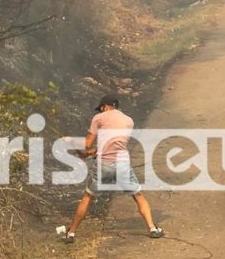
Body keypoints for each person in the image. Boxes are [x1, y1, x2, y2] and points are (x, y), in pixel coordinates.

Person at [60, 94, 164, 243]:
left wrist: (71, 141)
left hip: (104, 165)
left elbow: (87, 144)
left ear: (104, 106)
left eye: (101, 109)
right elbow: (113, 145)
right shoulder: (129, 121)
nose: (100, 112)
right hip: (122, 164)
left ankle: (71, 233)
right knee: (138, 196)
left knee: (88, 197)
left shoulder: (99, 118)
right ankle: (153, 228)